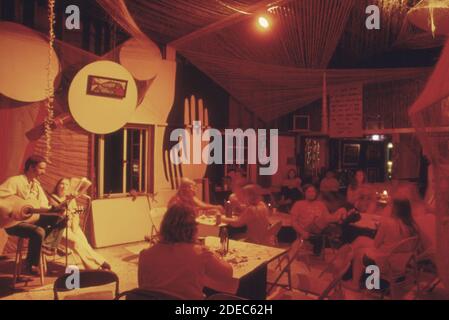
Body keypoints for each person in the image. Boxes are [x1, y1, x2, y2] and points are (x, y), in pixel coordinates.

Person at [138, 205, 233, 299]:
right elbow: (228, 273)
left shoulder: (145, 254)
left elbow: (142, 287)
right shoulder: (201, 253)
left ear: (164, 226)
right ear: (194, 229)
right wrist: (214, 254)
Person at [0, 155, 66, 275]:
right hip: (14, 222)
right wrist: (14, 206)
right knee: (39, 232)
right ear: (31, 167)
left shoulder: (36, 185)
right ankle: (31, 266)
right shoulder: (15, 181)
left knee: (62, 218)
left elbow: (44, 206)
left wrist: (56, 209)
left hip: (32, 219)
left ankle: (46, 245)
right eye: (41, 168)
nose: (44, 172)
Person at [343, 198, 419, 291]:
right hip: (400, 263)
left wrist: (381, 229)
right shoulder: (412, 225)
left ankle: (354, 282)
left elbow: (376, 244)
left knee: (359, 252)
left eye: (390, 205)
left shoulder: (387, 223)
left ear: (395, 209)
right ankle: (348, 269)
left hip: (386, 262)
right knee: (361, 240)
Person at [50, 178, 110, 270]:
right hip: (60, 227)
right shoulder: (53, 198)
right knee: (76, 243)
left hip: (72, 227)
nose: (64, 186)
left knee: (84, 244)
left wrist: (74, 229)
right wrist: (68, 200)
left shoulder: (71, 199)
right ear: (57, 186)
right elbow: (59, 212)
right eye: (61, 184)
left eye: (66, 185)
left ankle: (98, 262)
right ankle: (95, 266)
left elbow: (75, 215)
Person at [290, 185, 346, 255]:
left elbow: (327, 217)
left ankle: (342, 219)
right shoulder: (298, 204)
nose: (312, 193)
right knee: (322, 219)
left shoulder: (320, 204)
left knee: (342, 209)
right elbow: (293, 222)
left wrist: (339, 212)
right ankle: (340, 219)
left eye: (313, 191)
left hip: (322, 228)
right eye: (309, 191)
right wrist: (302, 232)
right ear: (304, 193)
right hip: (307, 229)